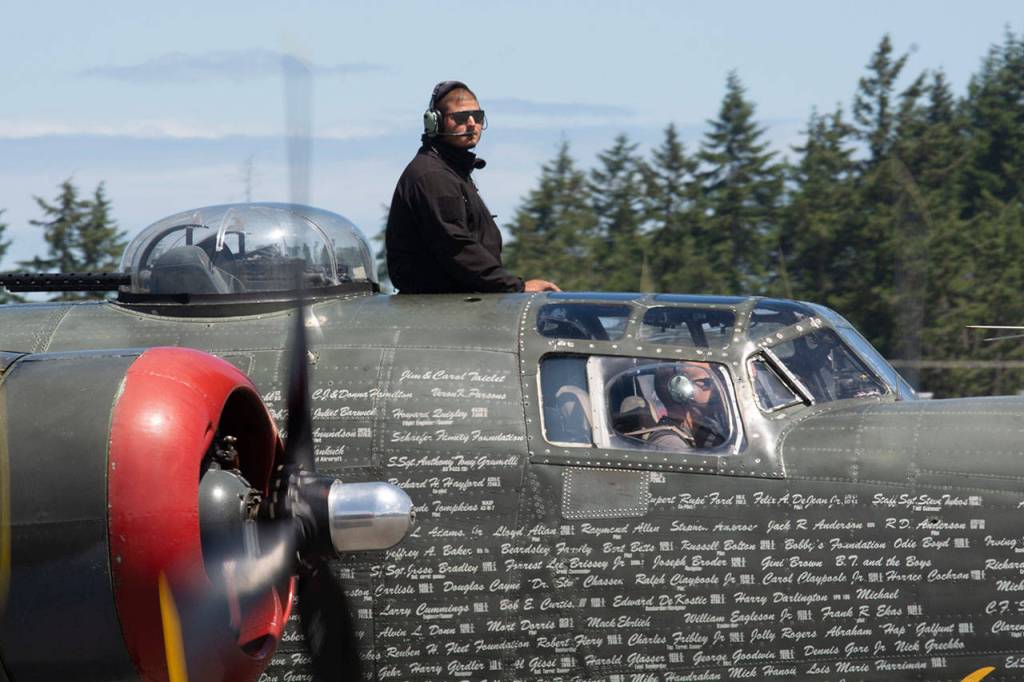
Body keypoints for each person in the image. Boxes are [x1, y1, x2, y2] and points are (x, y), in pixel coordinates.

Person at [385, 80, 559, 294]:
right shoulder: (433, 176)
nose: (471, 124)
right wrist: (517, 287)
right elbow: (456, 247)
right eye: (459, 117)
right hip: (440, 310)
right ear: (435, 123)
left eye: (477, 117)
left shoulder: (451, 171)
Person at [647, 362, 727, 451]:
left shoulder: (706, 431)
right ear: (680, 390)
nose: (715, 390)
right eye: (707, 383)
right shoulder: (670, 444)